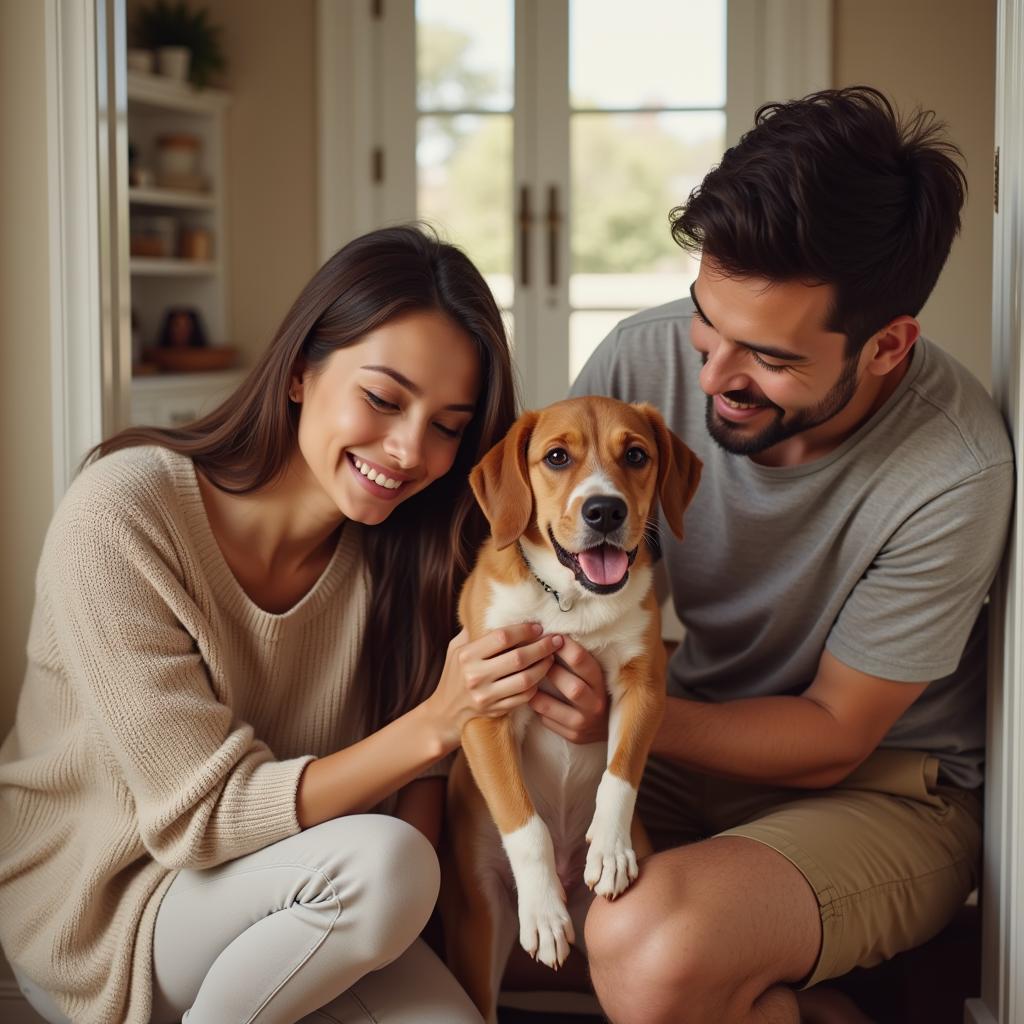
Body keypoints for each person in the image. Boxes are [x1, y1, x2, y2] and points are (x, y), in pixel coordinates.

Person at [0, 224, 604, 1024]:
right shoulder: (123, 514)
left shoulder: (412, 550)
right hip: (113, 911)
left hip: (313, 897)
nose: (408, 449)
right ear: (297, 372)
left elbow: (421, 797)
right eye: (383, 399)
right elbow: (202, 821)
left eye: (447, 425)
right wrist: (436, 724)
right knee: (390, 866)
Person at [565, 87, 1015, 1023]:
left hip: (881, 787)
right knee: (470, 891)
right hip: (689, 735)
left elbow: (832, 734)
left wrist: (623, 705)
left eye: (768, 357)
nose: (711, 378)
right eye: (705, 319)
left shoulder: (955, 467)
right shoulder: (637, 365)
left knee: (646, 952)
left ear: (888, 345)